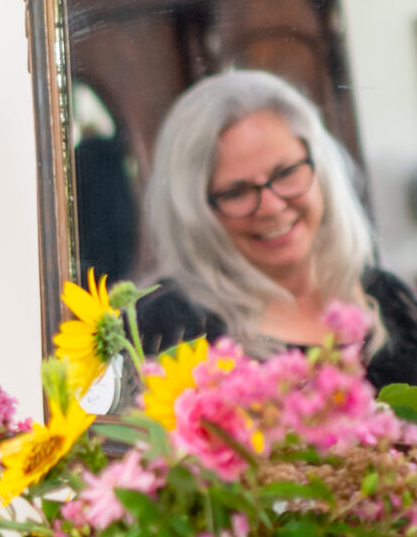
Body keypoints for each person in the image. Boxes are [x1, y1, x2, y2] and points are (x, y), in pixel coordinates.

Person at [137, 68, 417, 388]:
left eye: (285, 173)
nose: (271, 207)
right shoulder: (170, 324)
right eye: (236, 192)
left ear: (321, 170)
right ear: (195, 210)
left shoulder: (385, 295)